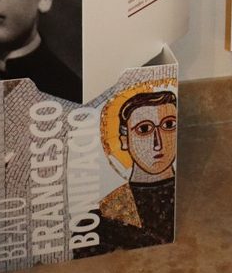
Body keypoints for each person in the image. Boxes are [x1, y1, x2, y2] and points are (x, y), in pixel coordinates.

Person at [75, 89, 177, 257]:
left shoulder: (189, 195)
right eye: (144, 129)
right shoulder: (100, 220)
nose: (158, 143)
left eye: (168, 125)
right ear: (124, 141)